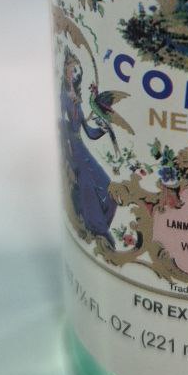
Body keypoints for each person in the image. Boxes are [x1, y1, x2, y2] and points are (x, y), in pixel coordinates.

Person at [59, 54, 117, 247]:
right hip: (72, 149)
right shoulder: (63, 97)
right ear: (65, 70)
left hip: (81, 148)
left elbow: (89, 132)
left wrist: (104, 129)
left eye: (77, 70)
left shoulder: (77, 100)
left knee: (108, 188)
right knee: (87, 188)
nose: (75, 74)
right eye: (72, 69)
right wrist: (67, 152)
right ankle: (98, 231)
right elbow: (61, 124)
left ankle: (98, 230)